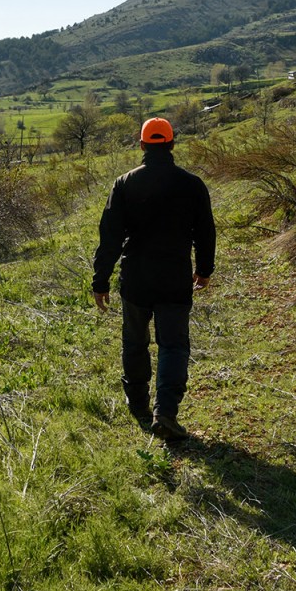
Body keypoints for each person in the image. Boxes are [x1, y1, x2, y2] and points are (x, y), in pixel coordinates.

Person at [92, 117, 216, 440]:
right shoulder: (192, 185)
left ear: (142, 145)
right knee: (173, 345)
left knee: (135, 341)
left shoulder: (124, 184)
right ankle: (166, 412)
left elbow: (109, 238)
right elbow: (205, 232)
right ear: (172, 145)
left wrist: (100, 281)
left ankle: (137, 404)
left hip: (136, 279)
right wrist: (204, 269)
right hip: (174, 278)